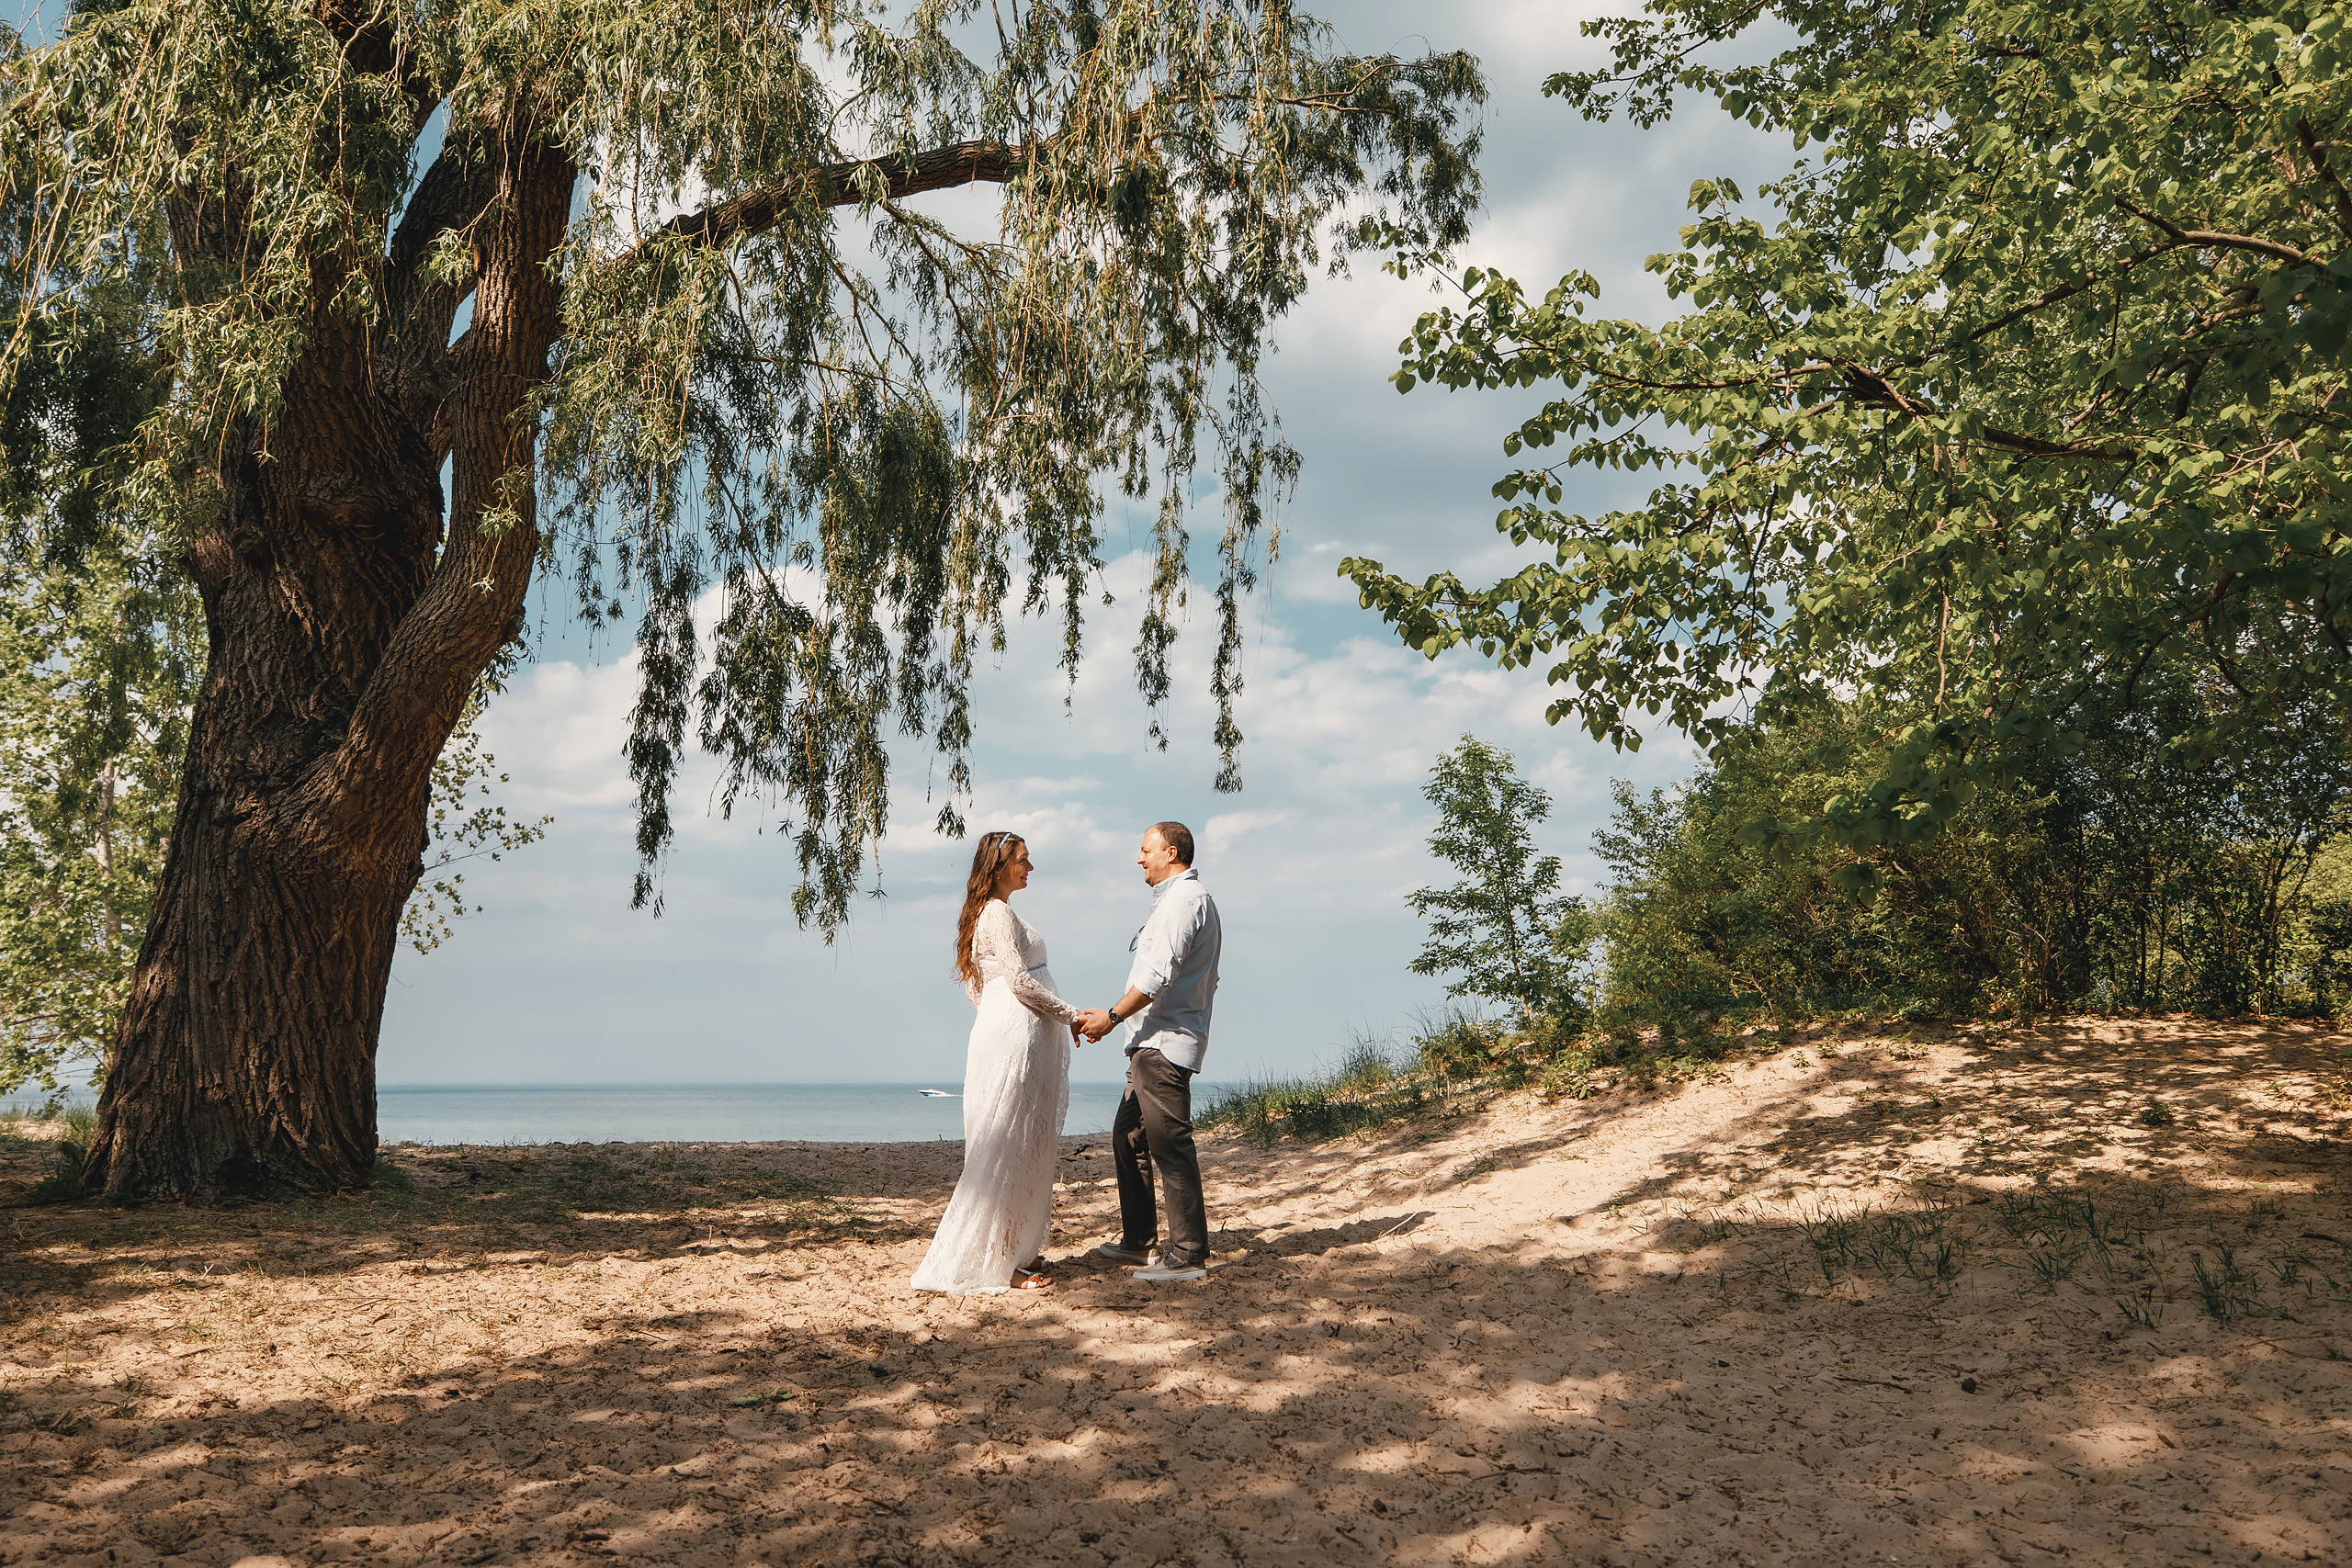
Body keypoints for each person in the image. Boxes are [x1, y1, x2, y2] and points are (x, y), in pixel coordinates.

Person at [910, 832, 1085, 1294]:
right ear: (1001, 865)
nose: (1031, 867)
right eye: (1024, 860)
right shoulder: (997, 912)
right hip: (1015, 1034)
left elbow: (978, 988)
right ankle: (1001, 1263)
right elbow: (1019, 981)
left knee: (1019, 1142)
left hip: (1009, 1029)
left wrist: (998, 1016)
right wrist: (1071, 1016)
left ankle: (1012, 1247)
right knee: (1007, 1143)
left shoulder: (987, 914)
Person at [1074, 821, 1221, 1284]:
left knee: (1170, 1146)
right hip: (1149, 1043)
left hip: (1164, 1044)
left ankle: (1188, 1253)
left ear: (1171, 852)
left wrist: (1112, 1017)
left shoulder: (1184, 901)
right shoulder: (1175, 901)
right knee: (1129, 1139)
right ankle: (1139, 1240)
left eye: (1145, 850)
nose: (1139, 858)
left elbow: (1158, 975)